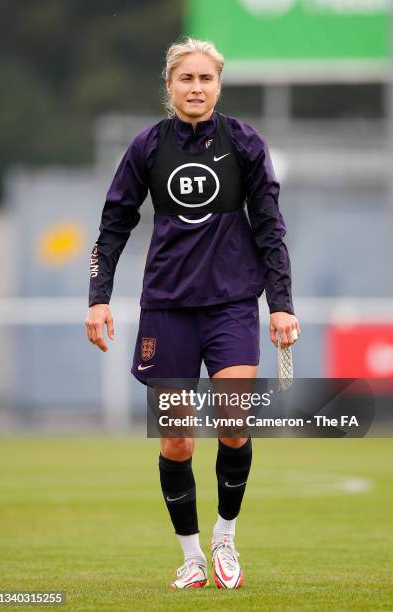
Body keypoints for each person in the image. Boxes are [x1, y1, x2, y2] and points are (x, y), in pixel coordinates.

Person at [86, 36, 300, 590]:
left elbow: (270, 228)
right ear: (170, 86)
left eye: (206, 79)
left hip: (231, 305)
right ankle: (191, 557)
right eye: (187, 79)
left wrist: (281, 306)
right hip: (167, 309)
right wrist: (98, 297)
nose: (196, 87)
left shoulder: (246, 143)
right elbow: (113, 223)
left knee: (233, 422)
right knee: (177, 440)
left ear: (219, 85)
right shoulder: (147, 148)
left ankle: (225, 538)